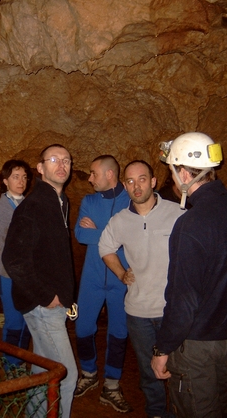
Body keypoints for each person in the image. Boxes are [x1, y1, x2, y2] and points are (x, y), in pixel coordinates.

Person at [151, 132, 227, 417]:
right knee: (226, 409)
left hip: (196, 347)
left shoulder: (190, 224)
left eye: (172, 171)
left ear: (183, 173)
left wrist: (162, 349)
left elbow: (183, 299)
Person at [99, 160, 185, 418]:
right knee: (149, 371)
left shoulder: (177, 213)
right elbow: (105, 247)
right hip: (138, 312)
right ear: (125, 185)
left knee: (179, 369)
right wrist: (121, 273)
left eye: (142, 179)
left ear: (153, 182)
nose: (136, 186)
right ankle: (156, 413)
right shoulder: (120, 220)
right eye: (130, 181)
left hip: (174, 311)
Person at [2, 144, 78, 417]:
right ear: (41, 168)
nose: (62, 164)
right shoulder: (34, 206)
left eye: (66, 160)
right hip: (42, 306)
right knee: (65, 375)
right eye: (54, 159)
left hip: (49, 303)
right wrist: (47, 297)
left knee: (42, 370)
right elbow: (13, 259)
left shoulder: (60, 202)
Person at [73, 155, 132, 413]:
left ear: (109, 174)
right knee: (83, 327)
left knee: (119, 332)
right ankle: (88, 373)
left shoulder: (131, 200)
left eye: (93, 173)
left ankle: (111, 385)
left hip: (122, 278)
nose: (89, 178)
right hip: (92, 278)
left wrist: (98, 231)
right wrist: (115, 235)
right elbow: (80, 234)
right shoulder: (89, 201)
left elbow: (133, 236)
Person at [0, 159, 33, 371]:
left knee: (27, 320)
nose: (21, 181)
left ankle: (20, 360)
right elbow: (13, 239)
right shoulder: (2, 207)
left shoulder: (28, 204)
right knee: (14, 321)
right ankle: (10, 366)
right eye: (16, 177)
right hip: (8, 273)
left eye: (24, 177)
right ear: (5, 181)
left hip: (27, 274)